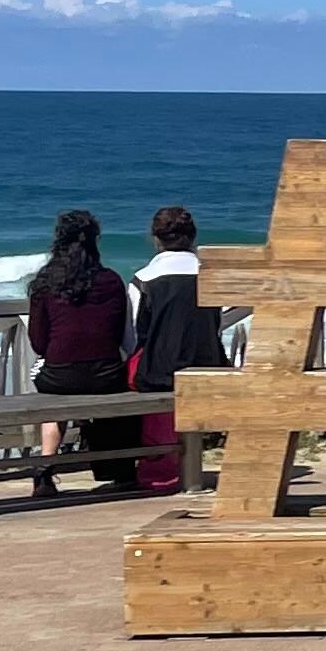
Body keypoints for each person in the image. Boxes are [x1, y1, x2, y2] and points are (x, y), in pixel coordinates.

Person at [24, 208, 137, 496]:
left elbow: (38, 342)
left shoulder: (46, 282)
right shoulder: (111, 280)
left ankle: (45, 469)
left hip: (60, 376)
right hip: (105, 375)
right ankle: (121, 471)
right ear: (94, 241)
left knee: (52, 400)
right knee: (116, 390)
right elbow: (119, 335)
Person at [123, 205, 227, 494]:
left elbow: (132, 337)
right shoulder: (209, 275)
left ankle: (160, 468)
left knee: (137, 376)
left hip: (160, 372)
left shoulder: (144, 279)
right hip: (209, 366)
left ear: (155, 238)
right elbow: (217, 325)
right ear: (192, 237)